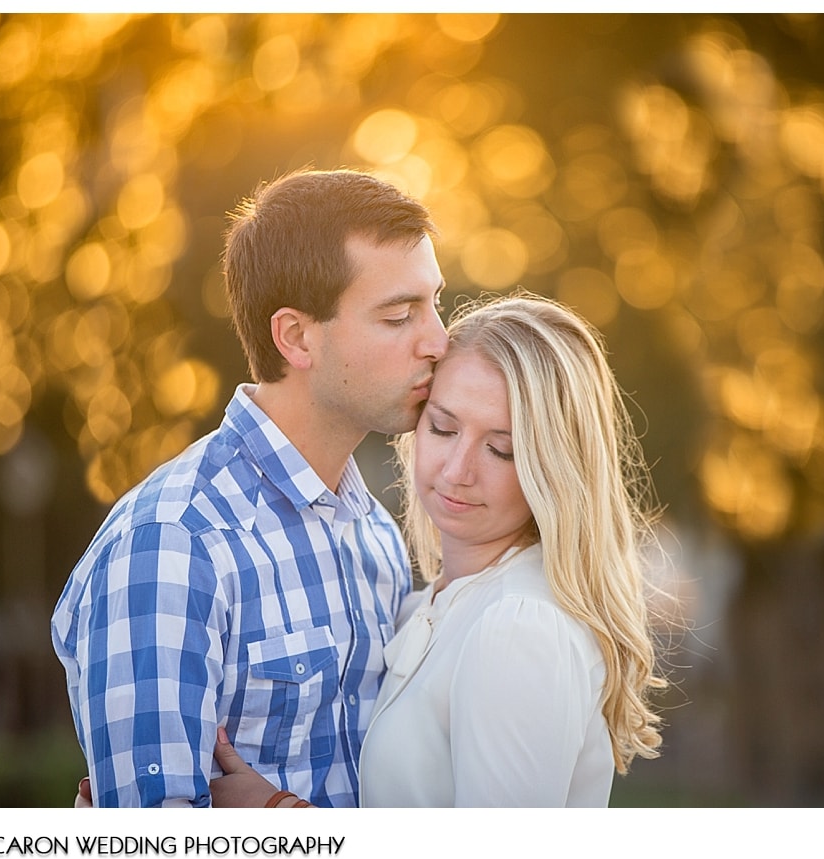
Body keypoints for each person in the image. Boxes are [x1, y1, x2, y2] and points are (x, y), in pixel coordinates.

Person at [51, 167, 449, 807]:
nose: (438, 340)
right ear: (296, 337)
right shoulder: (173, 546)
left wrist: (281, 819)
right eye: (399, 315)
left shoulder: (375, 533)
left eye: (434, 303)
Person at [207, 292, 671, 807]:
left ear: (557, 468)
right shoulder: (423, 606)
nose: (456, 471)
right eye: (443, 428)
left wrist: (282, 818)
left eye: (501, 449)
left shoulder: (519, 626)